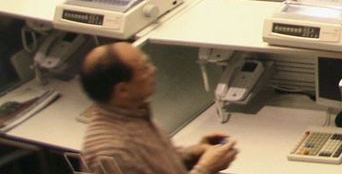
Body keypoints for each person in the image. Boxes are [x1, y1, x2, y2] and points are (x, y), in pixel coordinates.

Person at [80, 42, 240, 174]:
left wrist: (192, 154)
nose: (154, 70)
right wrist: (205, 168)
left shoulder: (133, 115)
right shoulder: (113, 153)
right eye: (144, 68)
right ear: (122, 90)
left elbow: (152, 166)